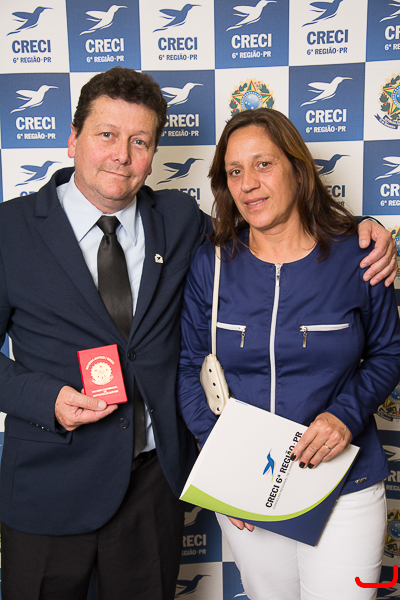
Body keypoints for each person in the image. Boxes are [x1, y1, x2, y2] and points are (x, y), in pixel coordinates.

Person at [0, 68, 394, 600]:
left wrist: (369, 228)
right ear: (73, 138)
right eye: (106, 134)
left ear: (153, 154)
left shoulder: (180, 220)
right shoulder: (10, 230)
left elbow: (280, 227)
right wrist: (45, 398)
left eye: (140, 141)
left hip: (151, 491)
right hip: (49, 484)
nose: (122, 155)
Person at [177, 108, 400, 600]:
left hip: (344, 482)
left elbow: (389, 351)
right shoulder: (212, 262)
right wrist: (225, 467)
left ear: (298, 170)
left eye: (264, 164)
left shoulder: (359, 254)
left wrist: (345, 416)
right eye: (235, 171)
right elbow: (190, 366)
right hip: (249, 483)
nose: (248, 184)